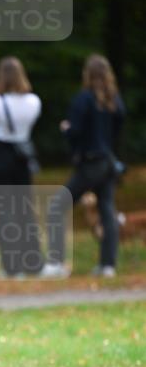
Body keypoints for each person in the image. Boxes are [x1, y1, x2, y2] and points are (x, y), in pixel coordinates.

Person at [43, 54, 126, 279]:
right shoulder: (114, 100)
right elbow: (117, 131)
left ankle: (56, 263)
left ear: (87, 74)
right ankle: (108, 265)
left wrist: (66, 129)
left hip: (91, 162)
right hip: (108, 162)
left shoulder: (84, 98)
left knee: (56, 207)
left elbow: (76, 131)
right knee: (107, 210)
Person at [0, 56, 43, 278]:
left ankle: (12, 266)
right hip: (22, 157)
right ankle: (34, 262)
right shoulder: (34, 101)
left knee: (1, 212)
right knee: (24, 212)